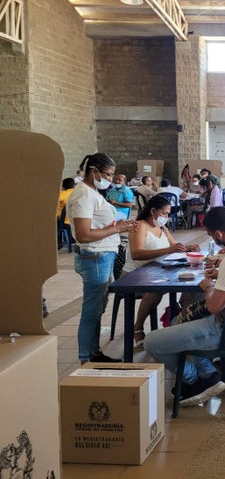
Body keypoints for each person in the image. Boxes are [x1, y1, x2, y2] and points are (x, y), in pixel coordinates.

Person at [144, 207, 225, 406]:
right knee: (177, 321)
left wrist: (209, 287)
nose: (213, 239)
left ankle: (194, 380)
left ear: (218, 234)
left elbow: (213, 307)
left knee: (151, 342)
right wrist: (222, 274)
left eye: (211, 235)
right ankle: (207, 375)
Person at [67, 153, 140, 363]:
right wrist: (117, 228)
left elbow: (98, 224)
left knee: (98, 308)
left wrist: (121, 226)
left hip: (103, 255)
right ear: (94, 171)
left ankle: (94, 352)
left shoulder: (92, 192)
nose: (110, 179)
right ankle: (86, 358)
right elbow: (83, 234)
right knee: (91, 311)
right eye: (108, 175)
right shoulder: (83, 195)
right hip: (94, 257)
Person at [122, 195, 200, 348]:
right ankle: (138, 327)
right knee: (155, 290)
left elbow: (174, 246)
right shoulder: (140, 226)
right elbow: (136, 253)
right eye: (164, 213)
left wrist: (187, 248)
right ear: (153, 211)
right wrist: (169, 250)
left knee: (185, 281)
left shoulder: (162, 228)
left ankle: (179, 322)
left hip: (156, 270)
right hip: (134, 273)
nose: (166, 217)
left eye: (168, 214)